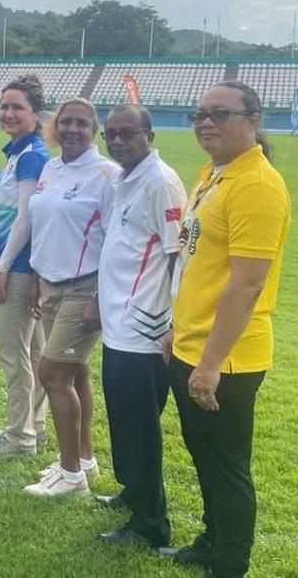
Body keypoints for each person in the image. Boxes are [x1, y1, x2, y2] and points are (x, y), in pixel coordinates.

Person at [161, 82, 290, 578]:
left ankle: (230, 561)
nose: (206, 123)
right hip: (195, 344)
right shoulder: (215, 176)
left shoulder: (256, 184)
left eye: (220, 114)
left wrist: (211, 363)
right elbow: (199, 265)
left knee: (226, 465)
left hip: (228, 357)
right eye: (199, 115)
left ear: (253, 119)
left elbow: (247, 285)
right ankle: (212, 541)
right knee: (205, 456)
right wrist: (179, 329)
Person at [94, 105, 186, 548]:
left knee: (139, 427)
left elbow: (177, 256)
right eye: (110, 134)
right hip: (118, 323)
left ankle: (151, 524)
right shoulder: (122, 177)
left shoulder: (161, 181)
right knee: (125, 420)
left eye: (126, 133)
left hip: (144, 329)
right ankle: (134, 493)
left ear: (148, 134)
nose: (116, 141)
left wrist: (171, 322)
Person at [23, 98, 118, 497]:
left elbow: (115, 241)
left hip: (84, 287)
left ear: (94, 129)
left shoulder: (106, 175)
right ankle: (84, 459)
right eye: (65, 123)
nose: (72, 130)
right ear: (55, 127)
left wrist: (99, 294)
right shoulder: (51, 167)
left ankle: (70, 476)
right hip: (50, 285)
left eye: (81, 123)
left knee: (52, 374)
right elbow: (42, 226)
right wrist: (34, 277)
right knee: (75, 372)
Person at [0, 76, 50, 459]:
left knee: (14, 352)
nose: (7, 113)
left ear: (35, 113)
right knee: (34, 352)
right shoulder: (18, 153)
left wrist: (3, 267)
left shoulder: (31, 156)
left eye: (17, 107)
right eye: (5, 106)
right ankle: (33, 426)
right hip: (23, 265)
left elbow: (25, 219)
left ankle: (19, 436)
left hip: (20, 266)